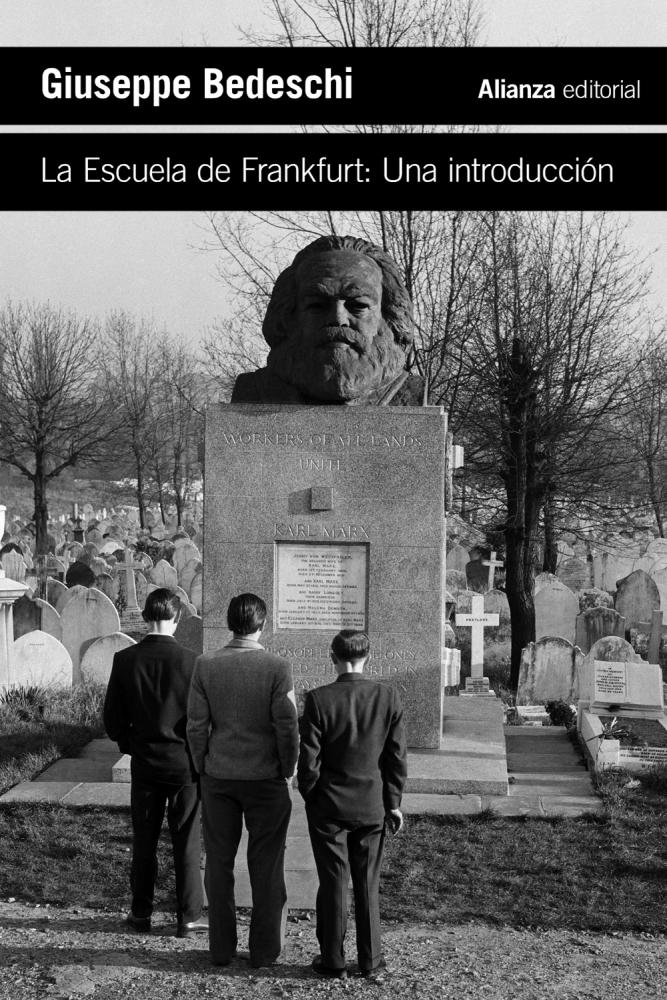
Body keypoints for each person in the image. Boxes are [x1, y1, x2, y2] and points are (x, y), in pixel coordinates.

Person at [187, 593, 299, 969]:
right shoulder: (277, 666)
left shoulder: (206, 664)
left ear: (229, 623)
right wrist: (288, 767)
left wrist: (202, 765)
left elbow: (196, 726)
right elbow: (287, 726)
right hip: (266, 777)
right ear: (263, 625)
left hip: (219, 775)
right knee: (267, 865)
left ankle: (221, 948)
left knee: (218, 863)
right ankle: (265, 951)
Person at [297, 630, 407, 981]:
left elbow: (308, 761)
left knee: (333, 880)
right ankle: (371, 959)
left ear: (332, 657)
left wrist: (312, 795)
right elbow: (395, 757)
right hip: (372, 804)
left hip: (329, 805)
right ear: (367, 657)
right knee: (367, 882)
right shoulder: (387, 697)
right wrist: (393, 802)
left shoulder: (318, 700)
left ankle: (333, 960)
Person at [103, 588, 206, 938]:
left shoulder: (125, 659)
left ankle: (140, 912)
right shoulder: (193, 662)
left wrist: (131, 744)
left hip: (145, 762)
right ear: (177, 618)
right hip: (184, 764)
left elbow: (113, 719)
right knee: (187, 841)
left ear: (146, 616)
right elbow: (201, 719)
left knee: (144, 840)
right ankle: (188, 916)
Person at [231, 234, 424, 406]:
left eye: (358, 305)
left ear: (389, 317)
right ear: (289, 316)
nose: (338, 319)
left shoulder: (413, 393)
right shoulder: (252, 391)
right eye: (317, 305)